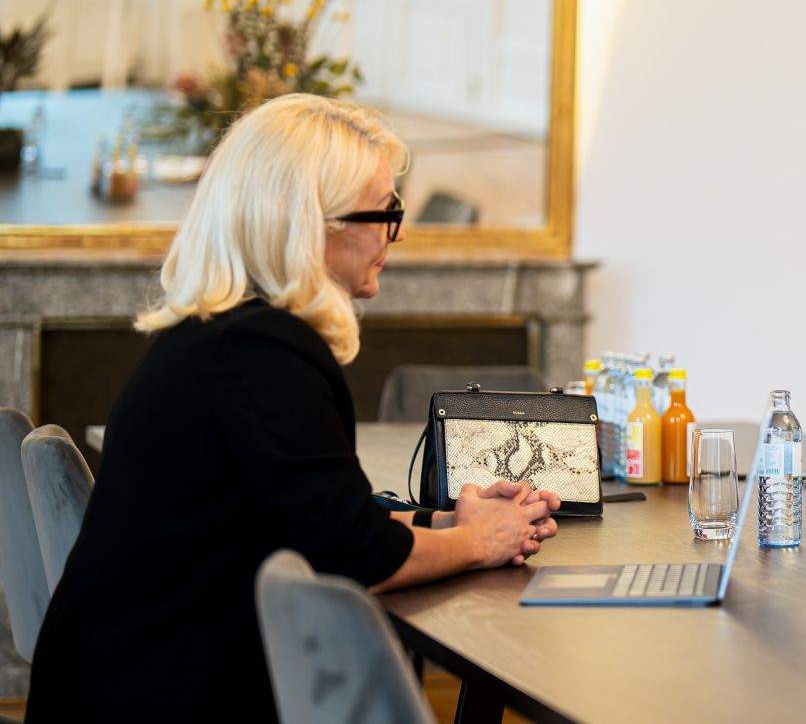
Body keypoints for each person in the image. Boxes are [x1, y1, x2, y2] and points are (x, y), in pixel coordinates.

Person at [27, 94, 564, 721]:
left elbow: (313, 520)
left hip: (120, 680)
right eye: (384, 211)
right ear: (313, 223)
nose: (395, 232)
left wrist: (446, 524)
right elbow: (355, 558)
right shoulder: (266, 353)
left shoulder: (217, 336)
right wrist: (479, 542)